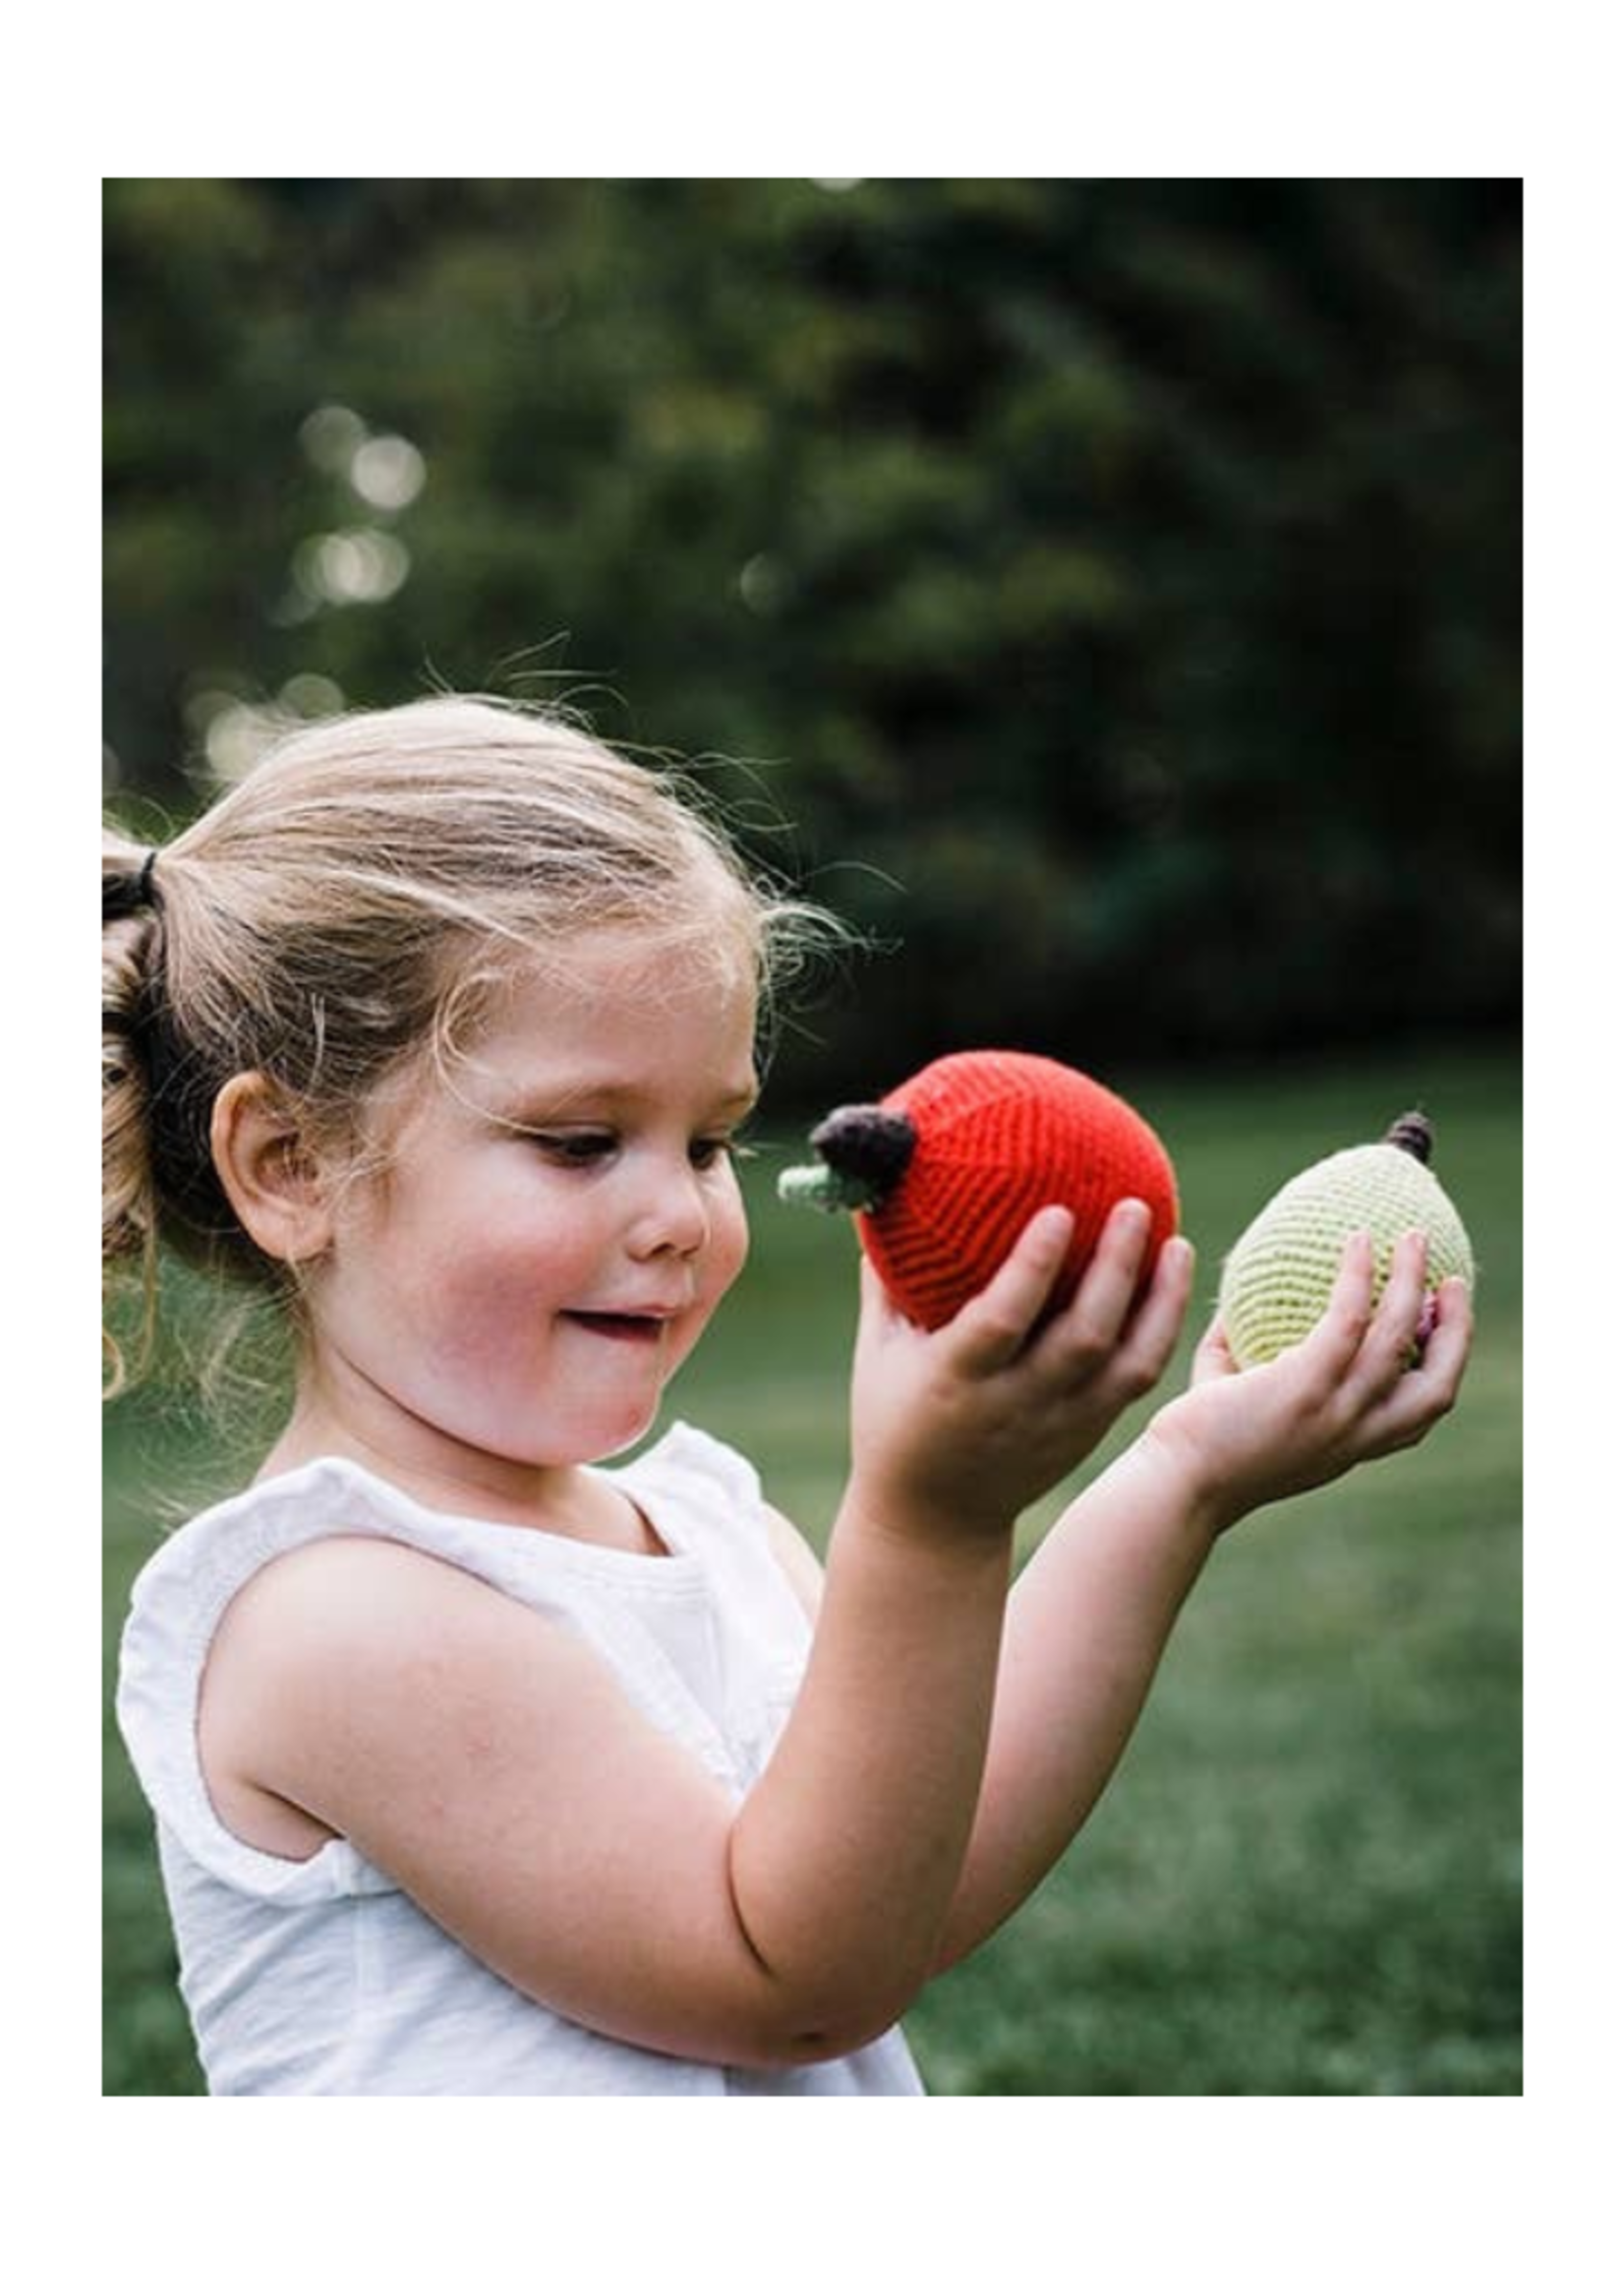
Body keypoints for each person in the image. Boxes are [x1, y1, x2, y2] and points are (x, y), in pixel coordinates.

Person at [105, 695, 1473, 2096]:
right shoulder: (335, 1615)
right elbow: (794, 1978)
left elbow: (907, 1881)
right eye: (582, 1143)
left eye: (708, 1141)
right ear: (289, 1165)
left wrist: (1181, 1477)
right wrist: (931, 1522)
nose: (680, 1214)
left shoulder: (711, 1533)